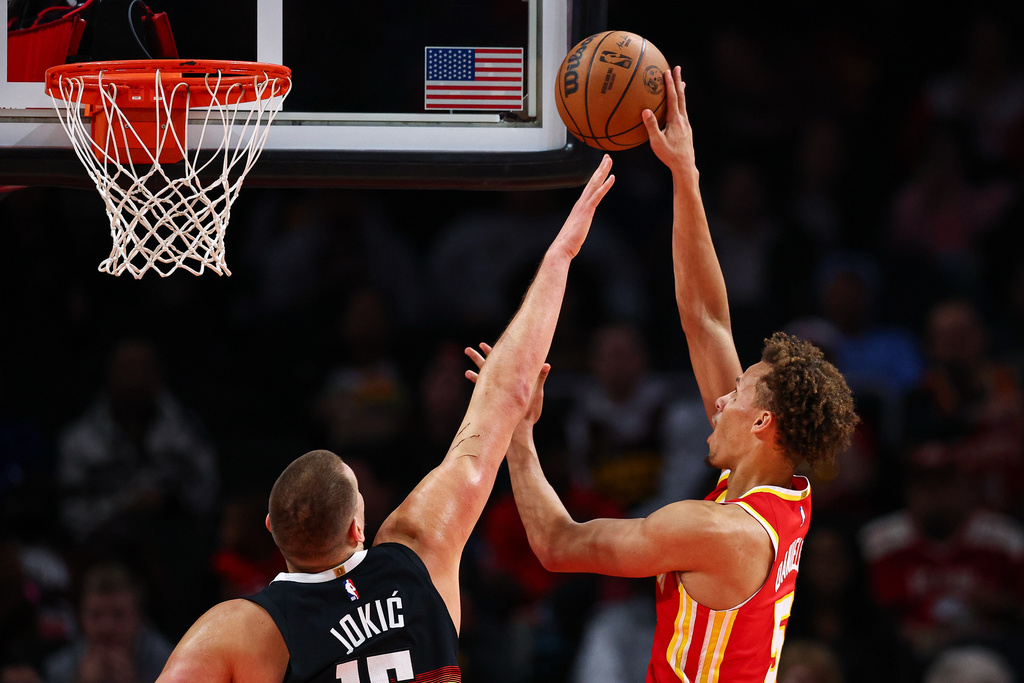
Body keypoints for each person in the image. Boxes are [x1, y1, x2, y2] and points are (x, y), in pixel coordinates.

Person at [153, 156, 617, 683]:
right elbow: (507, 395)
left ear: (271, 531)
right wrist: (559, 256)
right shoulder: (420, 551)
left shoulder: (241, 629)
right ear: (359, 525)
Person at [468, 67, 859, 682]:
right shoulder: (781, 495)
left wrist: (516, 432)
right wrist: (685, 173)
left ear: (763, 422)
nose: (720, 398)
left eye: (737, 392)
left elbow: (558, 544)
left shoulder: (712, 530)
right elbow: (706, 321)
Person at [44, 562, 173, 683]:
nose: (106, 627)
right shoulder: (59, 669)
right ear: (81, 618)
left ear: (139, 619)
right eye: (96, 615)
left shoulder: (169, 663)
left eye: (118, 615)